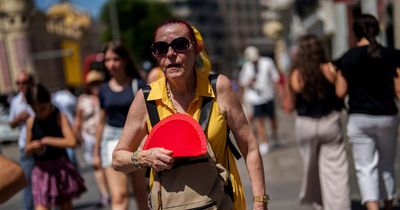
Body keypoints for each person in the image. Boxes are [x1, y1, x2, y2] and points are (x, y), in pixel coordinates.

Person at [112, 19, 268, 210]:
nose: (170, 54)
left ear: (195, 49)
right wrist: (144, 157)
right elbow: (118, 159)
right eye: (161, 48)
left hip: (222, 203)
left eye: (180, 45)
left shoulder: (219, 88)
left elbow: (250, 147)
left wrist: (260, 201)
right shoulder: (146, 99)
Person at [333, 14, 400, 210]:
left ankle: (373, 207)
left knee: (366, 167)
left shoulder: (348, 58)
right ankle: (389, 205)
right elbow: (398, 89)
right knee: (387, 165)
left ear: (355, 33)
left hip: (359, 117)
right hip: (387, 116)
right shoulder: (391, 55)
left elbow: (340, 92)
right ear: (377, 30)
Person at [285, 34, 350, 210]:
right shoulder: (330, 68)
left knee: (311, 170)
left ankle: (318, 205)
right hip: (329, 122)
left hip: (305, 125)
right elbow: (341, 94)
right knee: (335, 170)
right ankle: (338, 206)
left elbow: (289, 106)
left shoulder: (296, 75)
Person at [93, 41, 148, 210]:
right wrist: (96, 152)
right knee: (119, 195)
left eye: (115, 59)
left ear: (124, 60)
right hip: (110, 139)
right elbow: (101, 121)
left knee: (142, 194)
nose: (111, 64)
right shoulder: (103, 89)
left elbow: (146, 117)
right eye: (107, 60)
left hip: (135, 138)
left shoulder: (138, 84)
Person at [25, 84, 86, 210]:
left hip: (60, 168)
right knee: (40, 206)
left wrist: (47, 140)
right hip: (41, 171)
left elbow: (72, 142)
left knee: (65, 206)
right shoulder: (31, 121)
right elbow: (26, 150)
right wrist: (32, 147)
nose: (39, 113)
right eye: (34, 110)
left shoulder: (59, 116)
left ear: (49, 102)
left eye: (42, 109)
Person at [74, 70, 110, 207]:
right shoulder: (83, 100)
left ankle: (112, 189)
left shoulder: (106, 95)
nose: (95, 86)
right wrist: (75, 136)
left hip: (107, 135)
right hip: (90, 138)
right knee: (97, 166)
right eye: (92, 83)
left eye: (97, 82)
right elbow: (78, 120)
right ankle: (105, 194)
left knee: (107, 164)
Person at [239, 46, 281, 155]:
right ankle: (264, 142)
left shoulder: (267, 62)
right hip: (255, 98)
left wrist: (280, 93)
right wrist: (248, 83)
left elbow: (275, 78)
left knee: (272, 118)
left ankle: (275, 137)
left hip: (268, 95)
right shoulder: (246, 67)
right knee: (259, 121)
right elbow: (242, 83)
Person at [8, 71, 36, 210]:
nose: (21, 85)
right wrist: (18, 118)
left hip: (41, 145)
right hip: (24, 147)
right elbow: (11, 124)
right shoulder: (15, 102)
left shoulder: (38, 97)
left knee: (45, 181)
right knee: (27, 183)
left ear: (31, 82)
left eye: (24, 82)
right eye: (18, 83)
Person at [52, 86, 78, 166]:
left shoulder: (55, 96)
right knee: (70, 151)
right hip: (69, 124)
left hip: (61, 125)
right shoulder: (70, 97)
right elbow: (75, 111)